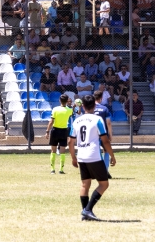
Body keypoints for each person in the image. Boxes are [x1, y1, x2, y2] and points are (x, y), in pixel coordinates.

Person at [69, 94, 116, 222]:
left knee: (85, 184)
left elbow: (70, 142)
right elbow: (105, 140)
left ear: (83, 106)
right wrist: (112, 156)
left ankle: (86, 215)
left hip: (82, 156)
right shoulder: (97, 120)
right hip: (94, 155)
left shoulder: (77, 121)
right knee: (104, 184)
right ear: (94, 106)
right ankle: (87, 209)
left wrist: (73, 158)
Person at [45, 94, 73, 174]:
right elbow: (71, 113)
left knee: (53, 151)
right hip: (64, 131)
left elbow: (51, 121)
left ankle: (52, 169)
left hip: (55, 130)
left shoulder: (55, 109)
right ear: (67, 101)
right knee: (62, 151)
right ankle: (61, 170)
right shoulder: (69, 110)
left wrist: (47, 131)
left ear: (59, 100)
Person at [93, 91, 114, 173]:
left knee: (96, 151)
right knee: (106, 150)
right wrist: (110, 134)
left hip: (93, 134)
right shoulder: (104, 109)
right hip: (103, 134)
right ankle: (105, 170)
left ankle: (97, 170)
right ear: (101, 98)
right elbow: (108, 122)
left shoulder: (89, 109)